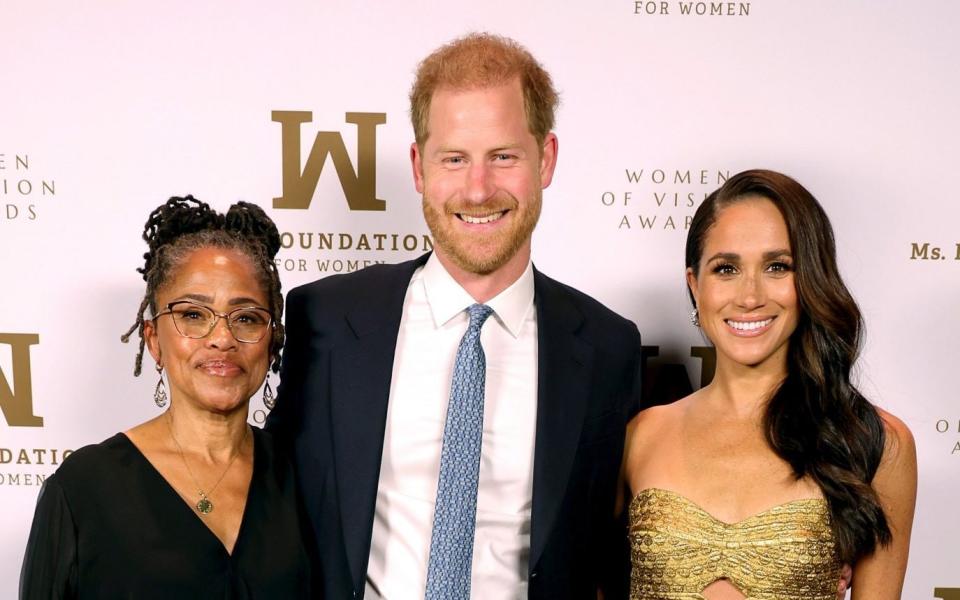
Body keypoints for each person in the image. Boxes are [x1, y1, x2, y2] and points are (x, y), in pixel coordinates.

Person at [266, 33, 643, 599]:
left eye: (504, 156)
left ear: (547, 159)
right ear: (419, 167)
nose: (478, 188)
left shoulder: (608, 348)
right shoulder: (325, 321)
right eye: (455, 158)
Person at [622, 170, 917, 600]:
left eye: (777, 267)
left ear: (810, 281)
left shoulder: (875, 442)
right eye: (726, 268)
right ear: (695, 285)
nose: (750, 295)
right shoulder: (641, 434)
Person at [20, 196, 314, 598]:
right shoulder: (83, 491)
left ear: (272, 341)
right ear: (154, 339)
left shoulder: (306, 481)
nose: (222, 339)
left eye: (246, 317)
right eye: (193, 314)